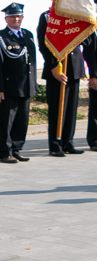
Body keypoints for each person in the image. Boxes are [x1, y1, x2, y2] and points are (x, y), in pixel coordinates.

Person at [0, 3, 37, 163]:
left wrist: (33, 85)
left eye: (18, 16)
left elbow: (32, 63)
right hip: (8, 87)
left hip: (25, 86)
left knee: (22, 120)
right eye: (12, 16)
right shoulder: (0, 37)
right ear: (6, 19)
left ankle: (16, 149)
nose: (16, 19)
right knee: (6, 121)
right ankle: (4, 151)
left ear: (22, 17)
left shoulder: (28, 35)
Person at [37, 9, 88, 156]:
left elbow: (87, 40)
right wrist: (53, 66)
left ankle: (68, 142)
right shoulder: (47, 17)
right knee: (57, 109)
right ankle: (55, 145)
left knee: (71, 108)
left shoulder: (76, 16)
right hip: (58, 69)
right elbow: (43, 43)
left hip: (74, 67)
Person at [86, 33, 97, 151]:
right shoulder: (93, 29)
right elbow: (89, 53)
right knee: (95, 109)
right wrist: (93, 75)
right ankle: (94, 140)